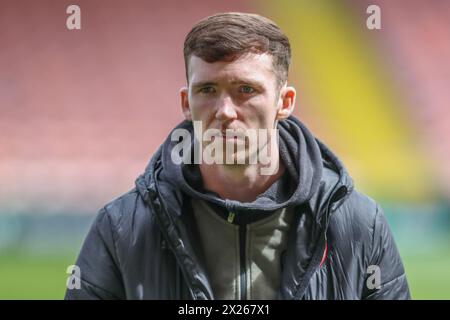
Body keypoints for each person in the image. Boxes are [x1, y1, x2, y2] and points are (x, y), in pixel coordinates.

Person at [65, 12, 410, 300]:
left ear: (284, 102)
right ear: (187, 103)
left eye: (246, 90)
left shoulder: (357, 224)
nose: (225, 111)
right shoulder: (122, 226)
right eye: (207, 90)